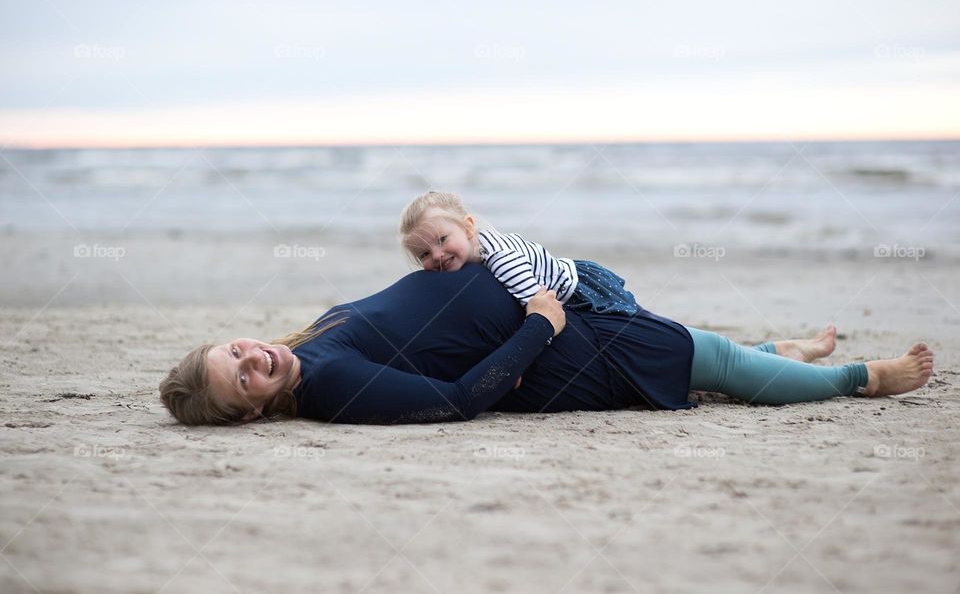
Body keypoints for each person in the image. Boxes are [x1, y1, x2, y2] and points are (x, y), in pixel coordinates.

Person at [159, 264, 934, 426]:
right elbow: (458, 402)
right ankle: (857, 378)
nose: (255, 361)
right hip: (562, 349)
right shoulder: (333, 390)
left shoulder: (313, 342)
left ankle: (782, 349)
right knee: (714, 362)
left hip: (559, 323)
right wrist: (542, 323)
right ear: (254, 413)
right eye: (246, 383)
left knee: (703, 353)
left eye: (237, 352)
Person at [399, 191, 639, 316]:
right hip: (560, 273)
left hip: (576, 287)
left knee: (626, 319)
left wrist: (518, 362)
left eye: (442, 240)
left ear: (468, 227)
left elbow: (541, 308)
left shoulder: (500, 260)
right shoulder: (471, 252)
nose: (437, 255)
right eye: (424, 254)